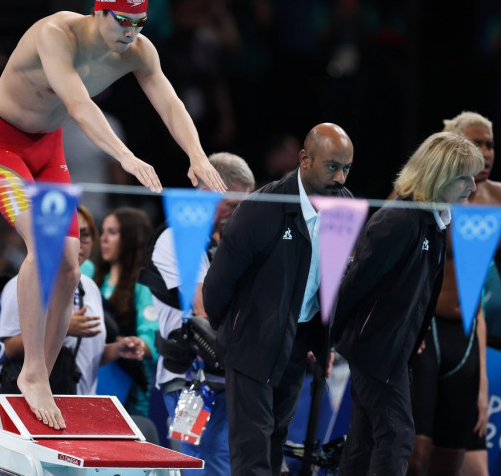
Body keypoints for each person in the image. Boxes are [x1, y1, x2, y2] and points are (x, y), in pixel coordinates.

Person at [0, 0, 226, 429]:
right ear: (99, 10)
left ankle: (42, 376)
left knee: (71, 261)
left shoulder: (138, 49)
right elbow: (79, 106)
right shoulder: (56, 34)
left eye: (140, 22)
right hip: (1, 144)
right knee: (44, 246)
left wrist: (197, 155)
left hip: (48, 149)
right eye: (122, 21)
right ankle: (30, 372)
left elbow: (169, 102)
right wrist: (126, 157)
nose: (131, 32)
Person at [203, 123, 355, 476]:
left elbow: (331, 281)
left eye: (347, 167)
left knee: (274, 447)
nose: (341, 177)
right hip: (252, 343)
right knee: (252, 454)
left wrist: (324, 341)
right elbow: (217, 287)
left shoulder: (344, 208)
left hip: (298, 343)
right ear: (304, 159)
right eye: (332, 166)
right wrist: (237, 333)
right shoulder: (263, 208)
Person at [331, 131, 483, 476]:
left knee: (365, 439)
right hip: (375, 348)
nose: (472, 187)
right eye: (464, 178)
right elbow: (354, 286)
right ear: (439, 177)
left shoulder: (433, 221)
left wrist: (415, 335)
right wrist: (322, 340)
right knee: (398, 435)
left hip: (394, 347)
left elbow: (418, 295)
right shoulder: (399, 220)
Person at [144, 152, 255, 476]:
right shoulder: (179, 237)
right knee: (207, 467)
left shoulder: (223, 242)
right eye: (232, 205)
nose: (236, 215)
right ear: (207, 194)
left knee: (225, 465)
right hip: (191, 382)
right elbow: (204, 310)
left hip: (225, 377)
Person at [406, 112, 497, 476]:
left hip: (466, 337)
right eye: (477, 143)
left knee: (451, 459)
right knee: (415, 455)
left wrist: (483, 382)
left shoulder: (498, 201)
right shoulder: (419, 194)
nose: (486, 152)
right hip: (424, 333)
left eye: (490, 144)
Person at [0, 205, 147, 396]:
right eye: (68, 234)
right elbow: (10, 348)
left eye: (84, 235)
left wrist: (117, 350)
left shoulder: (91, 288)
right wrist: (63, 328)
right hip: (32, 400)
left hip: (79, 402)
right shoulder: (24, 282)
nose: (76, 243)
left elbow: (88, 356)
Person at [92, 206, 158, 417]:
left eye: (112, 232)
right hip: (92, 379)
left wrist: (137, 345)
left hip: (129, 385)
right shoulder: (92, 277)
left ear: (132, 238)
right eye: (102, 232)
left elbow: (151, 338)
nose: (103, 239)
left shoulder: (144, 284)